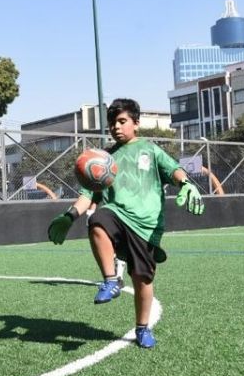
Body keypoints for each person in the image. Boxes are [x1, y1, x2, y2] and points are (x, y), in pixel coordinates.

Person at [47, 98, 204, 348]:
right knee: (98, 220)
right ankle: (111, 280)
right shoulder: (103, 158)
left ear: (136, 123)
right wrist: (70, 216)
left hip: (147, 226)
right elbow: (88, 195)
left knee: (143, 278)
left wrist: (186, 184)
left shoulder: (150, 149)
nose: (116, 127)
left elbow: (174, 169)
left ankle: (142, 329)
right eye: (112, 123)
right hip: (116, 215)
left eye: (122, 121)